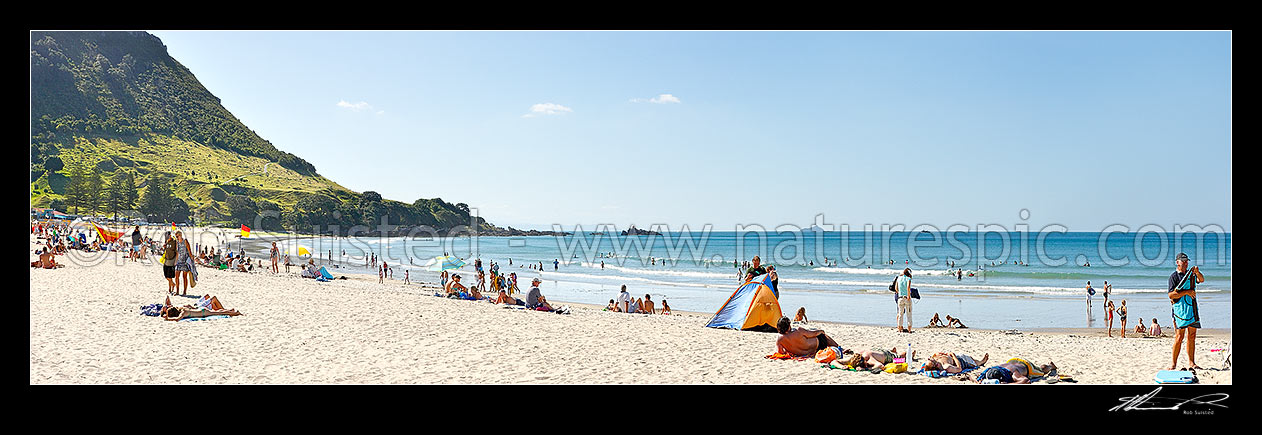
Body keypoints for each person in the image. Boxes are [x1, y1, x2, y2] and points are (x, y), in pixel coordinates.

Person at [1168, 252, 1204, 370]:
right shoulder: (1174, 276)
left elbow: (1201, 280)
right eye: (1183, 261)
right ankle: (1173, 364)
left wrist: (1197, 272)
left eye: (1187, 261)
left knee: (1192, 335)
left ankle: (1191, 362)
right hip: (1180, 311)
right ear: (1177, 262)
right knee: (1179, 336)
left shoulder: (1191, 275)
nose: (1185, 263)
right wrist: (1186, 292)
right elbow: (1171, 295)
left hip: (1192, 308)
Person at [774, 316, 841, 358]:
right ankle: (839, 348)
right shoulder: (799, 330)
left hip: (801, 353)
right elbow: (813, 334)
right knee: (822, 335)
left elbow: (780, 352)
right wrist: (821, 331)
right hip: (817, 347)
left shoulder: (779, 339)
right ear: (788, 325)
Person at [974, 359, 1056, 384]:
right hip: (1012, 361)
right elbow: (975, 377)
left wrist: (1009, 384)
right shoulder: (991, 371)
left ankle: (1050, 366)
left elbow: (1026, 380)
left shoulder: (1013, 373)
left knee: (1042, 371)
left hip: (1027, 366)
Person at [843, 346, 913, 371]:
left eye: (864, 364)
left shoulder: (868, 358)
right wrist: (842, 366)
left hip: (887, 356)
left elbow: (880, 366)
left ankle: (910, 353)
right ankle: (892, 351)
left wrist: (865, 369)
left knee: (902, 358)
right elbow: (835, 361)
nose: (866, 365)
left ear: (864, 360)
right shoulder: (853, 358)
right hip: (877, 351)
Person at [921, 352, 989, 374]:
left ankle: (980, 361)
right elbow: (959, 369)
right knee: (973, 362)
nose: (930, 358)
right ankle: (982, 362)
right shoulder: (946, 367)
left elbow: (934, 355)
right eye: (930, 359)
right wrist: (954, 356)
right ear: (934, 364)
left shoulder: (935, 359)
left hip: (954, 357)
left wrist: (939, 354)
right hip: (961, 361)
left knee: (970, 357)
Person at [894, 268, 913, 333]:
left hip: (900, 297)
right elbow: (908, 287)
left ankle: (899, 329)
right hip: (906, 297)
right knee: (909, 314)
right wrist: (908, 295)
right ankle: (909, 329)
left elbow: (896, 288)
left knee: (900, 314)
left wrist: (900, 293)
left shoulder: (899, 278)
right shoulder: (908, 279)